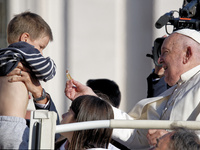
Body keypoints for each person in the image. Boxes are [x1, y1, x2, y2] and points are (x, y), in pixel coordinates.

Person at [65, 28, 200, 149]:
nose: (159, 60)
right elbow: (137, 133)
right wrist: (92, 99)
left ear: (187, 54)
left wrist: (171, 141)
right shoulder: (179, 88)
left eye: (165, 52)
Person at [0, 11, 57, 149]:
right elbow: (46, 71)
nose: (41, 53)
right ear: (25, 38)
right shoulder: (24, 49)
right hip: (13, 125)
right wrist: (51, 64)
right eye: (41, 47)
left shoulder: (4, 56)